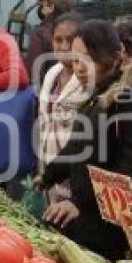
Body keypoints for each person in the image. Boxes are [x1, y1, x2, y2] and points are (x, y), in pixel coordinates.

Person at [40, 20, 132, 260]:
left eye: (89, 58)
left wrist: (80, 204)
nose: (80, 68)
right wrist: (47, 176)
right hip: (85, 222)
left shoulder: (131, 100)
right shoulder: (97, 94)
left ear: (116, 56)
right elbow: (78, 147)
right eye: (75, 60)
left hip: (108, 229)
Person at [37, 12, 85, 206]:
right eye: (58, 40)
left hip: (75, 167)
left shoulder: (87, 78)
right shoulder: (52, 73)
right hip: (49, 161)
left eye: (71, 40)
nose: (64, 47)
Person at [24, 0, 75, 86]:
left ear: (51, 7)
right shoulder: (76, 29)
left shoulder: (41, 33)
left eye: (43, 3)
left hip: (48, 90)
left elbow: (33, 72)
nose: (40, 6)